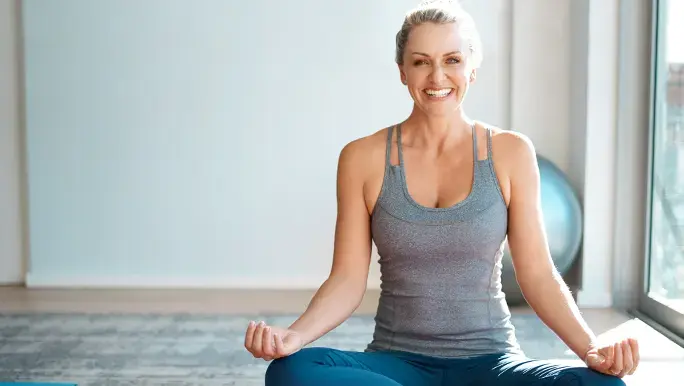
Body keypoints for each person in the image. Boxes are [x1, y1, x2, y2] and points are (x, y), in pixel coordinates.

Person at [244, 1, 639, 384]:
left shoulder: (510, 152)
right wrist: (294, 336)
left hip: (492, 364)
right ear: (402, 70)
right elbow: (347, 280)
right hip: (395, 363)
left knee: (602, 385)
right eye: (421, 61)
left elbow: (537, 274)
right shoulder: (361, 158)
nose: (437, 77)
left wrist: (591, 349)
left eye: (452, 60)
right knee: (290, 371)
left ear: (472, 68)